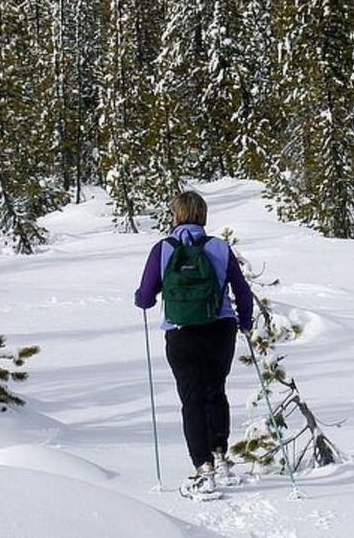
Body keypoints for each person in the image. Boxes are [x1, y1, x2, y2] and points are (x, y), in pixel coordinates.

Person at [134, 191, 253, 499]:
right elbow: (242, 291)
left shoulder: (162, 249)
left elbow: (146, 297)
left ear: (175, 216)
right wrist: (246, 322)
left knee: (191, 399)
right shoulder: (219, 247)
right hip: (220, 329)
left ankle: (203, 469)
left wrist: (141, 298)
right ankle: (222, 456)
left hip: (181, 332)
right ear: (202, 216)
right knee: (216, 390)